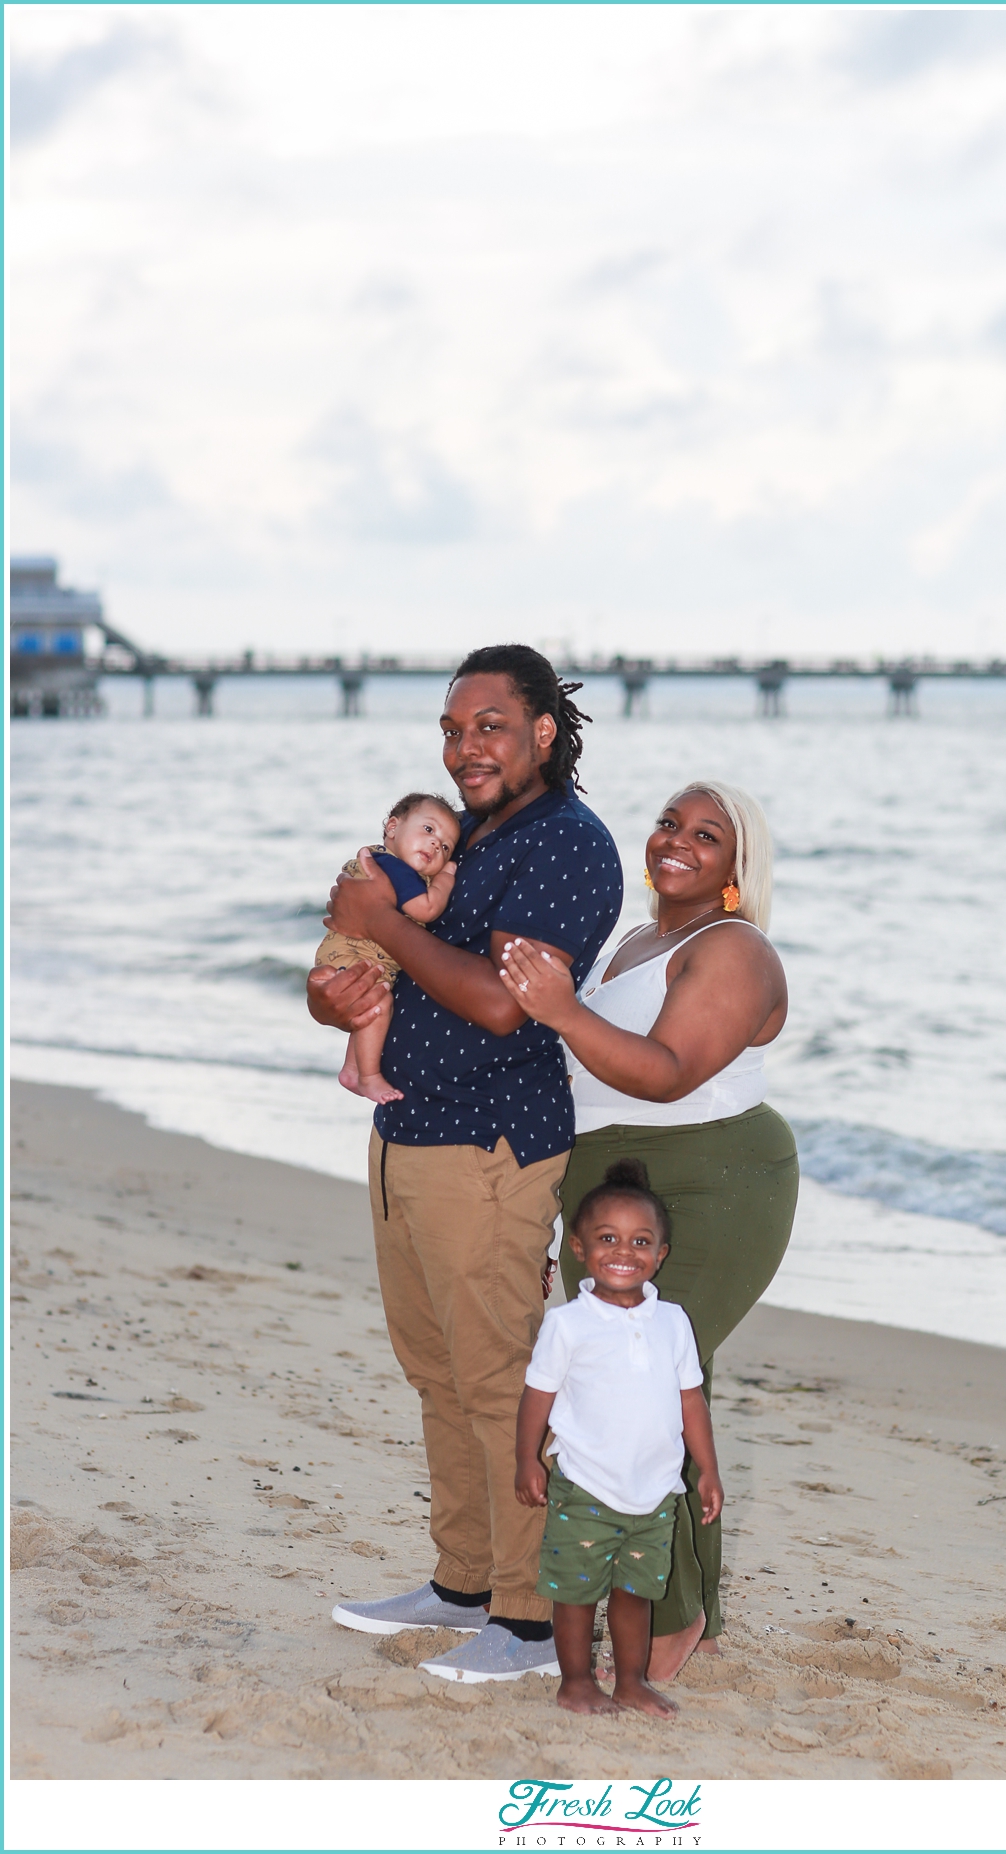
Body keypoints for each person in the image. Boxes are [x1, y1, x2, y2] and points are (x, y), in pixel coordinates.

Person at [306, 645, 622, 1684]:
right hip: (404, 1137)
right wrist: (340, 987)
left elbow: (503, 1002)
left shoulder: (571, 845)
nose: (464, 746)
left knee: (496, 1385)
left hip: (489, 1149)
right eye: (451, 728)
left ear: (542, 731)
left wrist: (381, 921)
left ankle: (529, 1622)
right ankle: (464, 1582)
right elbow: (362, 960)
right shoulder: (464, 839)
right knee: (435, 1374)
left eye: (488, 724)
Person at [498, 778, 799, 1681]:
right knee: (612, 1390)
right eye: (670, 821)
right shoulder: (636, 940)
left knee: (653, 1391)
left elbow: (666, 1074)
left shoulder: (734, 948)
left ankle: (675, 1617)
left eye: (708, 834)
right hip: (608, 1185)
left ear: (738, 869)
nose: (677, 840)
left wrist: (561, 1009)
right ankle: (667, 1602)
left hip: (712, 1183)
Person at [515, 1158, 722, 1718]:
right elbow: (538, 1395)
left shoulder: (673, 1322)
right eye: (608, 1238)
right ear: (579, 1247)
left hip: (654, 1492)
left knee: (636, 1595)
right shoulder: (569, 1325)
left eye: (640, 1241)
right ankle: (576, 1682)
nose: (623, 1252)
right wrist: (528, 1460)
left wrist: (706, 1469)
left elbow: (690, 1402)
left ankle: (631, 1682)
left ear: (660, 1255)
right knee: (577, 1594)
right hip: (585, 1485)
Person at [313, 792, 461, 1104]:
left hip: (348, 951)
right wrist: (446, 878)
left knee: (370, 1007)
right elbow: (425, 909)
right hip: (354, 953)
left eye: (446, 847)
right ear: (392, 828)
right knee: (378, 1005)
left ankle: (351, 1069)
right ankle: (368, 1077)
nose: (436, 845)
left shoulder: (388, 863)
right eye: (429, 830)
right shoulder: (396, 870)